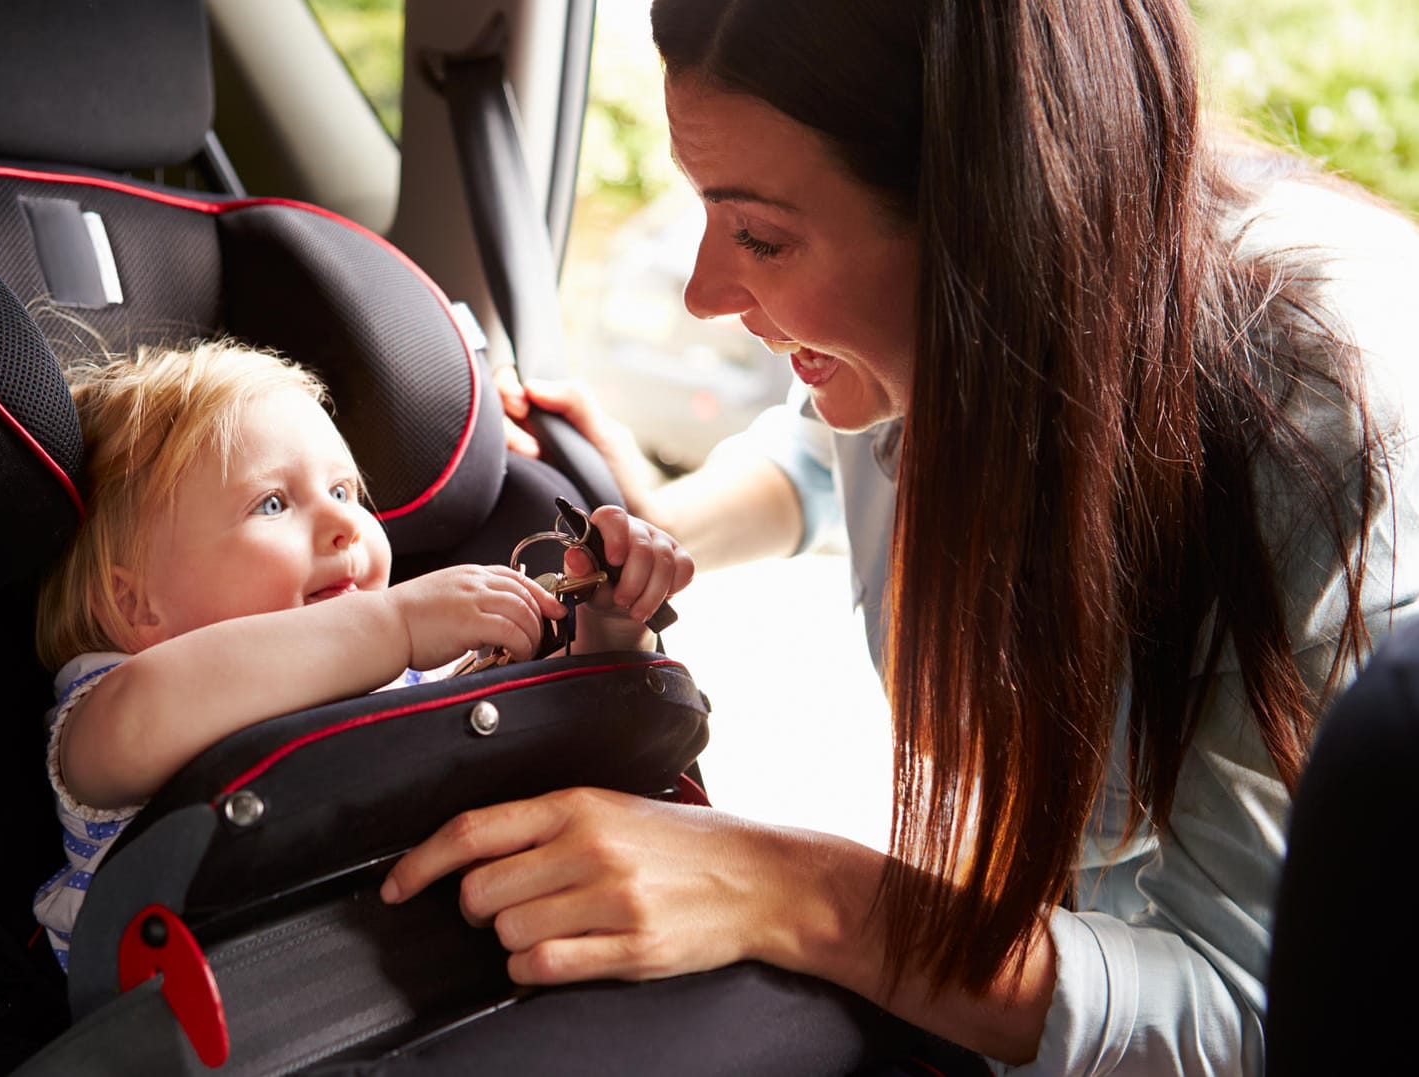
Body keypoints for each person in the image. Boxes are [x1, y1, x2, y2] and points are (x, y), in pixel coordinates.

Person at [380, 1, 1419, 1073]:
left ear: (988, 224)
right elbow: (819, 453)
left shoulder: (1338, 431)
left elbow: (1250, 1007)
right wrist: (651, 525)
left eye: (761, 236)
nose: (701, 294)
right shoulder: (956, 332)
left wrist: (797, 890)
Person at [31, 339, 692, 970]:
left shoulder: (410, 676)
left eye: (345, 491)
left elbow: (546, 757)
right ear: (137, 604)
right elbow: (147, 715)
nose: (345, 522)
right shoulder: (110, 705)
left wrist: (608, 630)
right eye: (272, 502)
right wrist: (392, 622)